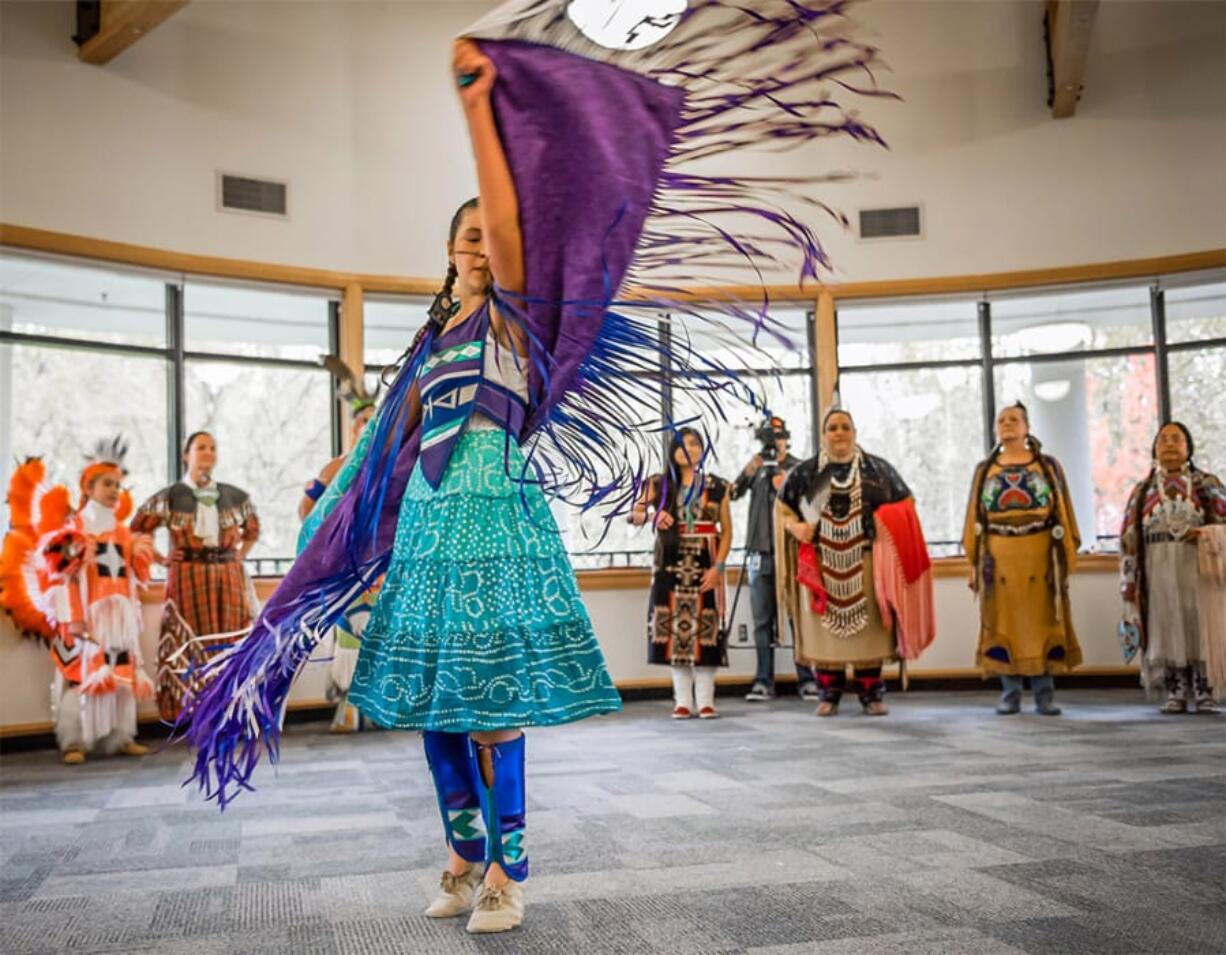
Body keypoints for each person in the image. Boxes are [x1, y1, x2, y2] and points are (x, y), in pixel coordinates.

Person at [0, 439, 155, 763]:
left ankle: (121, 735)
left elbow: (130, 579)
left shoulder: (123, 534)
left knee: (121, 671)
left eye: (118, 485)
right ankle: (74, 741)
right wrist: (72, 619)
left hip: (118, 618)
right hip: (83, 617)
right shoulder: (71, 532)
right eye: (107, 484)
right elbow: (62, 579)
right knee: (80, 675)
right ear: (88, 486)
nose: (114, 490)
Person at [774, 409, 931, 717]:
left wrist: (883, 521)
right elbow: (783, 510)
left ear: (855, 432)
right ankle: (828, 694)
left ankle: (871, 693)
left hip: (867, 563)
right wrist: (796, 527)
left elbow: (906, 505)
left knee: (870, 630)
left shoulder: (877, 470)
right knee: (824, 633)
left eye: (845, 427)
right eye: (832, 428)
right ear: (823, 435)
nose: (839, 433)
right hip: (821, 566)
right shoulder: (805, 474)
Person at [131, 431, 260, 719]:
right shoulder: (171, 496)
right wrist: (160, 558)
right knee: (189, 641)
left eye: (212, 448)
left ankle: (229, 711)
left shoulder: (232, 495)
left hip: (228, 577)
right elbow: (137, 528)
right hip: (187, 576)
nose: (208, 453)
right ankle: (189, 713)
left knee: (229, 639)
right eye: (201, 447)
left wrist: (240, 554)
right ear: (186, 454)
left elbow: (252, 529)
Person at [963, 402, 1081, 716]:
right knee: (1003, 622)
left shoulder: (1047, 466)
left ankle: (1045, 694)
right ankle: (1010, 693)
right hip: (999, 557)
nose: (1007, 424)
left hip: (1040, 554)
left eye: (1014, 419)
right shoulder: (985, 469)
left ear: (1027, 427)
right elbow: (974, 516)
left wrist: (1064, 555)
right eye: (1001, 420)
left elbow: (1063, 512)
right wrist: (972, 564)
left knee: (1044, 621)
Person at [1119, 422, 1226, 713]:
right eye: (1162, 439)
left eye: (1175, 439)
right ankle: (1175, 689)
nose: (1168, 444)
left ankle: (1205, 688)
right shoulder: (1143, 490)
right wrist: (1128, 581)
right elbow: (1128, 537)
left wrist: (1204, 535)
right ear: (1155, 448)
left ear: (1188, 447)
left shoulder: (1208, 484)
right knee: (1166, 621)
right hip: (1157, 564)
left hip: (1197, 563)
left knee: (1198, 618)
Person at [299, 359, 379, 733]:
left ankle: (378, 707)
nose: (368, 429)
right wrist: (330, 545)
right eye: (362, 423)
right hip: (347, 563)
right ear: (353, 429)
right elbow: (306, 511)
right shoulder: (335, 469)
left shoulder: (393, 468)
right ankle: (349, 709)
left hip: (381, 562)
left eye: (373, 423)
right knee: (350, 630)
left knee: (379, 630)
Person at [631, 428, 732, 719]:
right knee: (673, 631)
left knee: (707, 631)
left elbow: (727, 532)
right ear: (673, 451)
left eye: (696, 443)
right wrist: (652, 514)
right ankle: (682, 701)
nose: (690, 448)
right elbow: (632, 515)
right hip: (669, 566)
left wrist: (719, 567)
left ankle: (706, 699)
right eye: (684, 443)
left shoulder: (718, 486)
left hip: (705, 564)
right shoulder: (659, 484)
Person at [730, 416, 816, 702]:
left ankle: (807, 679)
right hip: (759, 552)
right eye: (768, 438)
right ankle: (763, 680)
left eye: (777, 438)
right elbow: (732, 493)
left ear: (786, 439)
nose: (773, 444)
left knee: (796, 618)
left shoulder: (798, 468)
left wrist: (786, 483)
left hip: (791, 554)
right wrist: (750, 468)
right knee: (762, 621)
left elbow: (812, 506)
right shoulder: (757, 468)